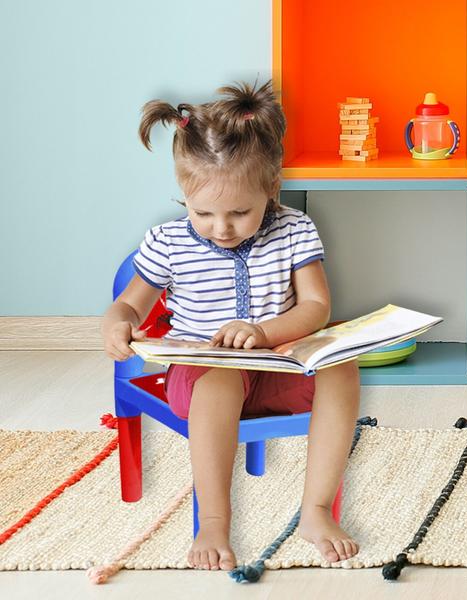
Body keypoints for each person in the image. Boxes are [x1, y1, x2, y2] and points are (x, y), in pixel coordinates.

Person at [101, 79, 361, 571]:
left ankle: (316, 511)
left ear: (271, 188)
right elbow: (130, 305)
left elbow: (316, 307)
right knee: (221, 379)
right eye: (204, 213)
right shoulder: (169, 241)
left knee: (342, 367)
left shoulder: (294, 230)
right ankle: (215, 522)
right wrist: (117, 325)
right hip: (203, 382)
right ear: (184, 193)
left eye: (240, 212)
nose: (222, 228)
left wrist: (264, 333)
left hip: (279, 370)